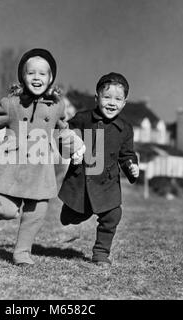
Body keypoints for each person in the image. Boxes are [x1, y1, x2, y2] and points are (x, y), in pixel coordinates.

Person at [0, 48, 85, 265]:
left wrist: (75, 145)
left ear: (50, 79)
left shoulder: (58, 106)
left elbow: (63, 129)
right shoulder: (12, 104)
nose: (37, 78)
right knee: (8, 210)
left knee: (37, 212)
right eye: (31, 73)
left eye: (42, 74)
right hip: (11, 167)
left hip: (40, 170)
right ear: (23, 76)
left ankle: (21, 253)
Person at [58, 72, 140, 266]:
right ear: (97, 98)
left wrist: (131, 166)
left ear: (124, 103)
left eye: (118, 99)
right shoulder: (83, 119)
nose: (112, 103)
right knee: (81, 212)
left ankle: (101, 253)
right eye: (107, 97)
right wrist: (70, 149)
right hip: (82, 180)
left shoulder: (125, 129)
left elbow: (127, 154)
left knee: (113, 214)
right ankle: (70, 212)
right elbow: (64, 136)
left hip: (107, 182)